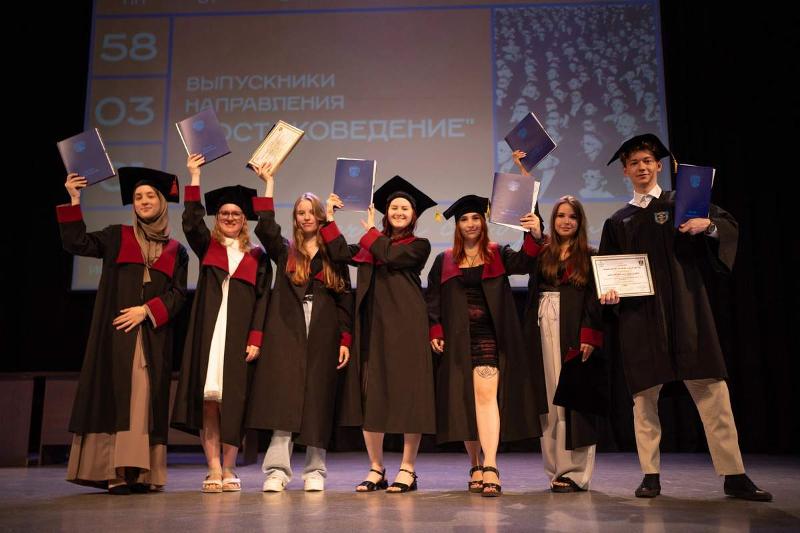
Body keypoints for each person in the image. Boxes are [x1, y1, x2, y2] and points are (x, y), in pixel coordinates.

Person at [599, 133, 772, 501]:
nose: (642, 168)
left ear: (658, 166)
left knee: (713, 392)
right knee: (644, 400)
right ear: (625, 171)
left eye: (648, 161)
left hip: (688, 310)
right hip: (641, 318)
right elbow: (609, 269)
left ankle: (734, 474)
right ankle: (650, 474)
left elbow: (725, 226)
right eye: (634, 163)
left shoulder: (684, 203)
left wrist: (706, 226)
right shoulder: (618, 221)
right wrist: (610, 293)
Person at [59, 167, 188, 494]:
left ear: (162, 202)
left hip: (153, 337)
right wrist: (74, 199)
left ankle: (143, 474)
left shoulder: (176, 250)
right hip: (117, 336)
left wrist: (146, 310)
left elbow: (177, 295)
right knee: (120, 397)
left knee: (145, 400)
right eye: (138, 197)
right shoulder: (117, 236)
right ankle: (115, 471)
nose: (143, 201)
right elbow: (77, 242)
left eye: (150, 196)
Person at [426, 195, 547, 497]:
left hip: (488, 337)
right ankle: (475, 464)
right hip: (457, 339)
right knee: (466, 401)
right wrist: (436, 329)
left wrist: (534, 232)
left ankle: (491, 464)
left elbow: (526, 260)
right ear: (457, 225)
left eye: (476, 218)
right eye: (464, 219)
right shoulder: (445, 260)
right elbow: (433, 300)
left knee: (485, 396)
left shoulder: (498, 253)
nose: (471, 224)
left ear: (483, 222)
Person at [324, 176, 436, 493]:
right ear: (386, 213)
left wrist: (372, 232)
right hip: (373, 327)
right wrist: (329, 218)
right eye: (394, 207)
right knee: (371, 397)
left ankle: (408, 468)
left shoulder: (419, 245)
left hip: (408, 327)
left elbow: (391, 256)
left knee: (410, 396)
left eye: (405, 208)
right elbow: (340, 252)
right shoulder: (371, 245)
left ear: (413, 216)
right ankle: (376, 467)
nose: (399, 212)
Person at [247, 163, 353, 493]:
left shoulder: (333, 253)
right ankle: (277, 470)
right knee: (285, 397)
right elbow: (266, 228)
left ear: (320, 216)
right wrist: (269, 183)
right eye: (300, 213)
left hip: (324, 329)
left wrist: (345, 339)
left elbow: (345, 299)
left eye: (311, 212)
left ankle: (315, 469)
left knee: (318, 399)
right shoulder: (286, 251)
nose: (306, 217)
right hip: (287, 328)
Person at [171, 154, 271, 493]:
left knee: (234, 403)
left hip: (239, 337)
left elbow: (263, 300)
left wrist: (256, 337)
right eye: (225, 213)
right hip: (209, 335)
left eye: (236, 214)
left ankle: (230, 467)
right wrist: (194, 177)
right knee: (209, 402)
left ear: (244, 220)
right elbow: (191, 223)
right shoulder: (208, 247)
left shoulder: (257, 256)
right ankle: (213, 468)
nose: (229, 218)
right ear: (218, 218)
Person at [524, 195, 607, 492]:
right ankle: (554, 470)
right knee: (548, 403)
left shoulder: (590, 255)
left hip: (572, 330)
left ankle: (575, 472)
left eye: (572, 216)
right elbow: (524, 261)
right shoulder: (544, 253)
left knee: (574, 400)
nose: (566, 221)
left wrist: (589, 335)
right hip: (542, 326)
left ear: (580, 221)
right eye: (560, 215)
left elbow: (594, 300)